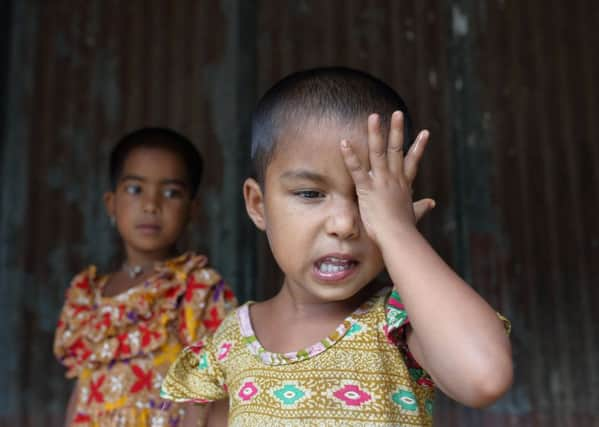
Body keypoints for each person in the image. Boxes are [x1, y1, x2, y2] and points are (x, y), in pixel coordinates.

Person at [160, 67, 513, 426]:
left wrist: (397, 231)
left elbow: (484, 377)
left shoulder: (400, 322)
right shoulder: (227, 344)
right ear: (257, 204)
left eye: (368, 199)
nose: (344, 224)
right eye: (311, 194)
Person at [54, 128, 236, 427]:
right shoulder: (86, 297)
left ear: (192, 209)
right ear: (111, 203)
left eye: (171, 193)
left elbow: (212, 392)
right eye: (135, 189)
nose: (151, 205)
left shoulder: (196, 290)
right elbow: (81, 392)